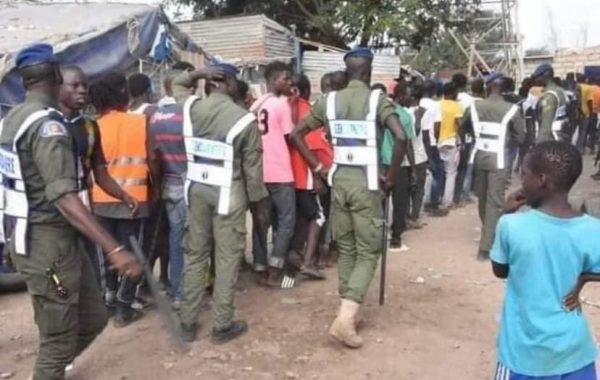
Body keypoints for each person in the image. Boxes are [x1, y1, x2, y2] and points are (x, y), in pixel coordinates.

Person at [0, 43, 141, 380]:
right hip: (46, 251)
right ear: (56, 76)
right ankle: (52, 366)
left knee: (92, 317)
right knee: (59, 330)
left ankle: (55, 359)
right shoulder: (48, 127)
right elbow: (64, 196)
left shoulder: (14, 117)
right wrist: (116, 249)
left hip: (53, 243)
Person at [291, 47, 408, 349]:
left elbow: (295, 134)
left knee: (346, 248)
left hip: (338, 182)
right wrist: (391, 178)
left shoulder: (329, 100)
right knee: (368, 251)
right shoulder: (377, 100)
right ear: (368, 72)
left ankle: (347, 312)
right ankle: (345, 319)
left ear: (347, 71)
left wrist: (318, 168)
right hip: (368, 185)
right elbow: (401, 137)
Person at [174, 62, 269, 344]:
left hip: (196, 188)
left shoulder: (192, 108)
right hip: (229, 192)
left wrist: (198, 74)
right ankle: (222, 324)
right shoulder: (244, 120)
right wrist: (260, 208)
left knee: (195, 255)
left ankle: (187, 323)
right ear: (228, 83)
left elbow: (177, 84)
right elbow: (253, 174)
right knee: (227, 259)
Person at [492, 141, 599, 380]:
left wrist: (505, 212)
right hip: (574, 353)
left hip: (523, 354)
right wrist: (584, 277)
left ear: (541, 180)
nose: (522, 183)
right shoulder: (593, 229)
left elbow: (500, 270)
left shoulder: (511, 225)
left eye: (524, 175)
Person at [57, 65, 139, 286]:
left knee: (91, 267)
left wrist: (123, 194)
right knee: (60, 275)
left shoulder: (90, 127)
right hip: (56, 211)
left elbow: (100, 172)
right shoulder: (48, 125)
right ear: (57, 87)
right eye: (74, 85)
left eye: (84, 85)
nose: (82, 90)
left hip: (84, 205)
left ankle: (99, 303)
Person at [89, 73, 158, 327]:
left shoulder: (93, 126)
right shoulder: (139, 122)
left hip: (100, 199)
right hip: (135, 200)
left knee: (110, 251)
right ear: (121, 94)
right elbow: (152, 158)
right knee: (133, 252)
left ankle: (109, 299)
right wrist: (156, 188)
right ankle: (124, 306)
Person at [462, 72, 526, 261]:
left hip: (478, 156)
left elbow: (464, 126)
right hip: (499, 158)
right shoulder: (512, 109)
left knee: (482, 198)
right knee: (495, 201)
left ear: (487, 87)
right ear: (503, 88)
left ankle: (488, 235)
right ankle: (486, 246)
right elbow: (520, 136)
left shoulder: (474, 106)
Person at [250, 61, 296, 287]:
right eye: (286, 79)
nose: (290, 83)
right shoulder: (281, 105)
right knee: (286, 220)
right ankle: (276, 268)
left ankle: (259, 266)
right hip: (280, 170)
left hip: (259, 170)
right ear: (274, 80)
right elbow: (290, 136)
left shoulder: (258, 105)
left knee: (261, 221)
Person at [288, 73, 332, 279]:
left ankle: (293, 256)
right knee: (318, 216)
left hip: (287, 175)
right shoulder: (308, 113)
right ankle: (307, 262)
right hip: (305, 174)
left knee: (300, 217)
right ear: (306, 91)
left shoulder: (287, 109)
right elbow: (313, 145)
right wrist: (317, 173)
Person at [385, 81, 416, 252]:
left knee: (382, 201)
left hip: (382, 162)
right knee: (400, 203)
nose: (411, 98)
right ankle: (396, 239)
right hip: (400, 165)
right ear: (401, 95)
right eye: (409, 94)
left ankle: (380, 235)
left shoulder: (383, 111)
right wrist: (413, 167)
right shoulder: (404, 116)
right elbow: (407, 144)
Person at [456, 78, 485, 205]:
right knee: (471, 168)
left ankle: (460, 193)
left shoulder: (465, 102)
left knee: (463, 167)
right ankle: (467, 193)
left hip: (464, 137)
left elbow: (462, 123)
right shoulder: (481, 104)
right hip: (480, 139)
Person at [436, 81, 463, 214]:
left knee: (438, 172)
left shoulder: (438, 104)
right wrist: (461, 140)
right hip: (451, 141)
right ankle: (447, 202)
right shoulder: (456, 106)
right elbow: (459, 124)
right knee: (451, 173)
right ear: (453, 93)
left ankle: (434, 197)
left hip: (438, 142)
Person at [420, 80, 444, 215]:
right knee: (438, 173)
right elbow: (437, 126)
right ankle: (433, 202)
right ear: (433, 91)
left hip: (417, 142)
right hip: (431, 142)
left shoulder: (417, 102)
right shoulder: (435, 105)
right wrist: (437, 138)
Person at [530, 64, 568, 144]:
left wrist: (538, 146)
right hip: (560, 136)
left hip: (550, 140)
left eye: (537, 77)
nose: (535, 80)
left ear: (544, 76)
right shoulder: (559, 90)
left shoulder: (549, 97)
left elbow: (546, 126)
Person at [576, 73, 594, 152]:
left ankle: (575, 147)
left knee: (575, 131)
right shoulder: (588, 88)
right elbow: (590, 101)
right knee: (584, 131)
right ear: (585, 79)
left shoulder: (575, 86)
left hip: (574, 113)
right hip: (585, 112)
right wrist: (591, 111)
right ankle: (580, 149)